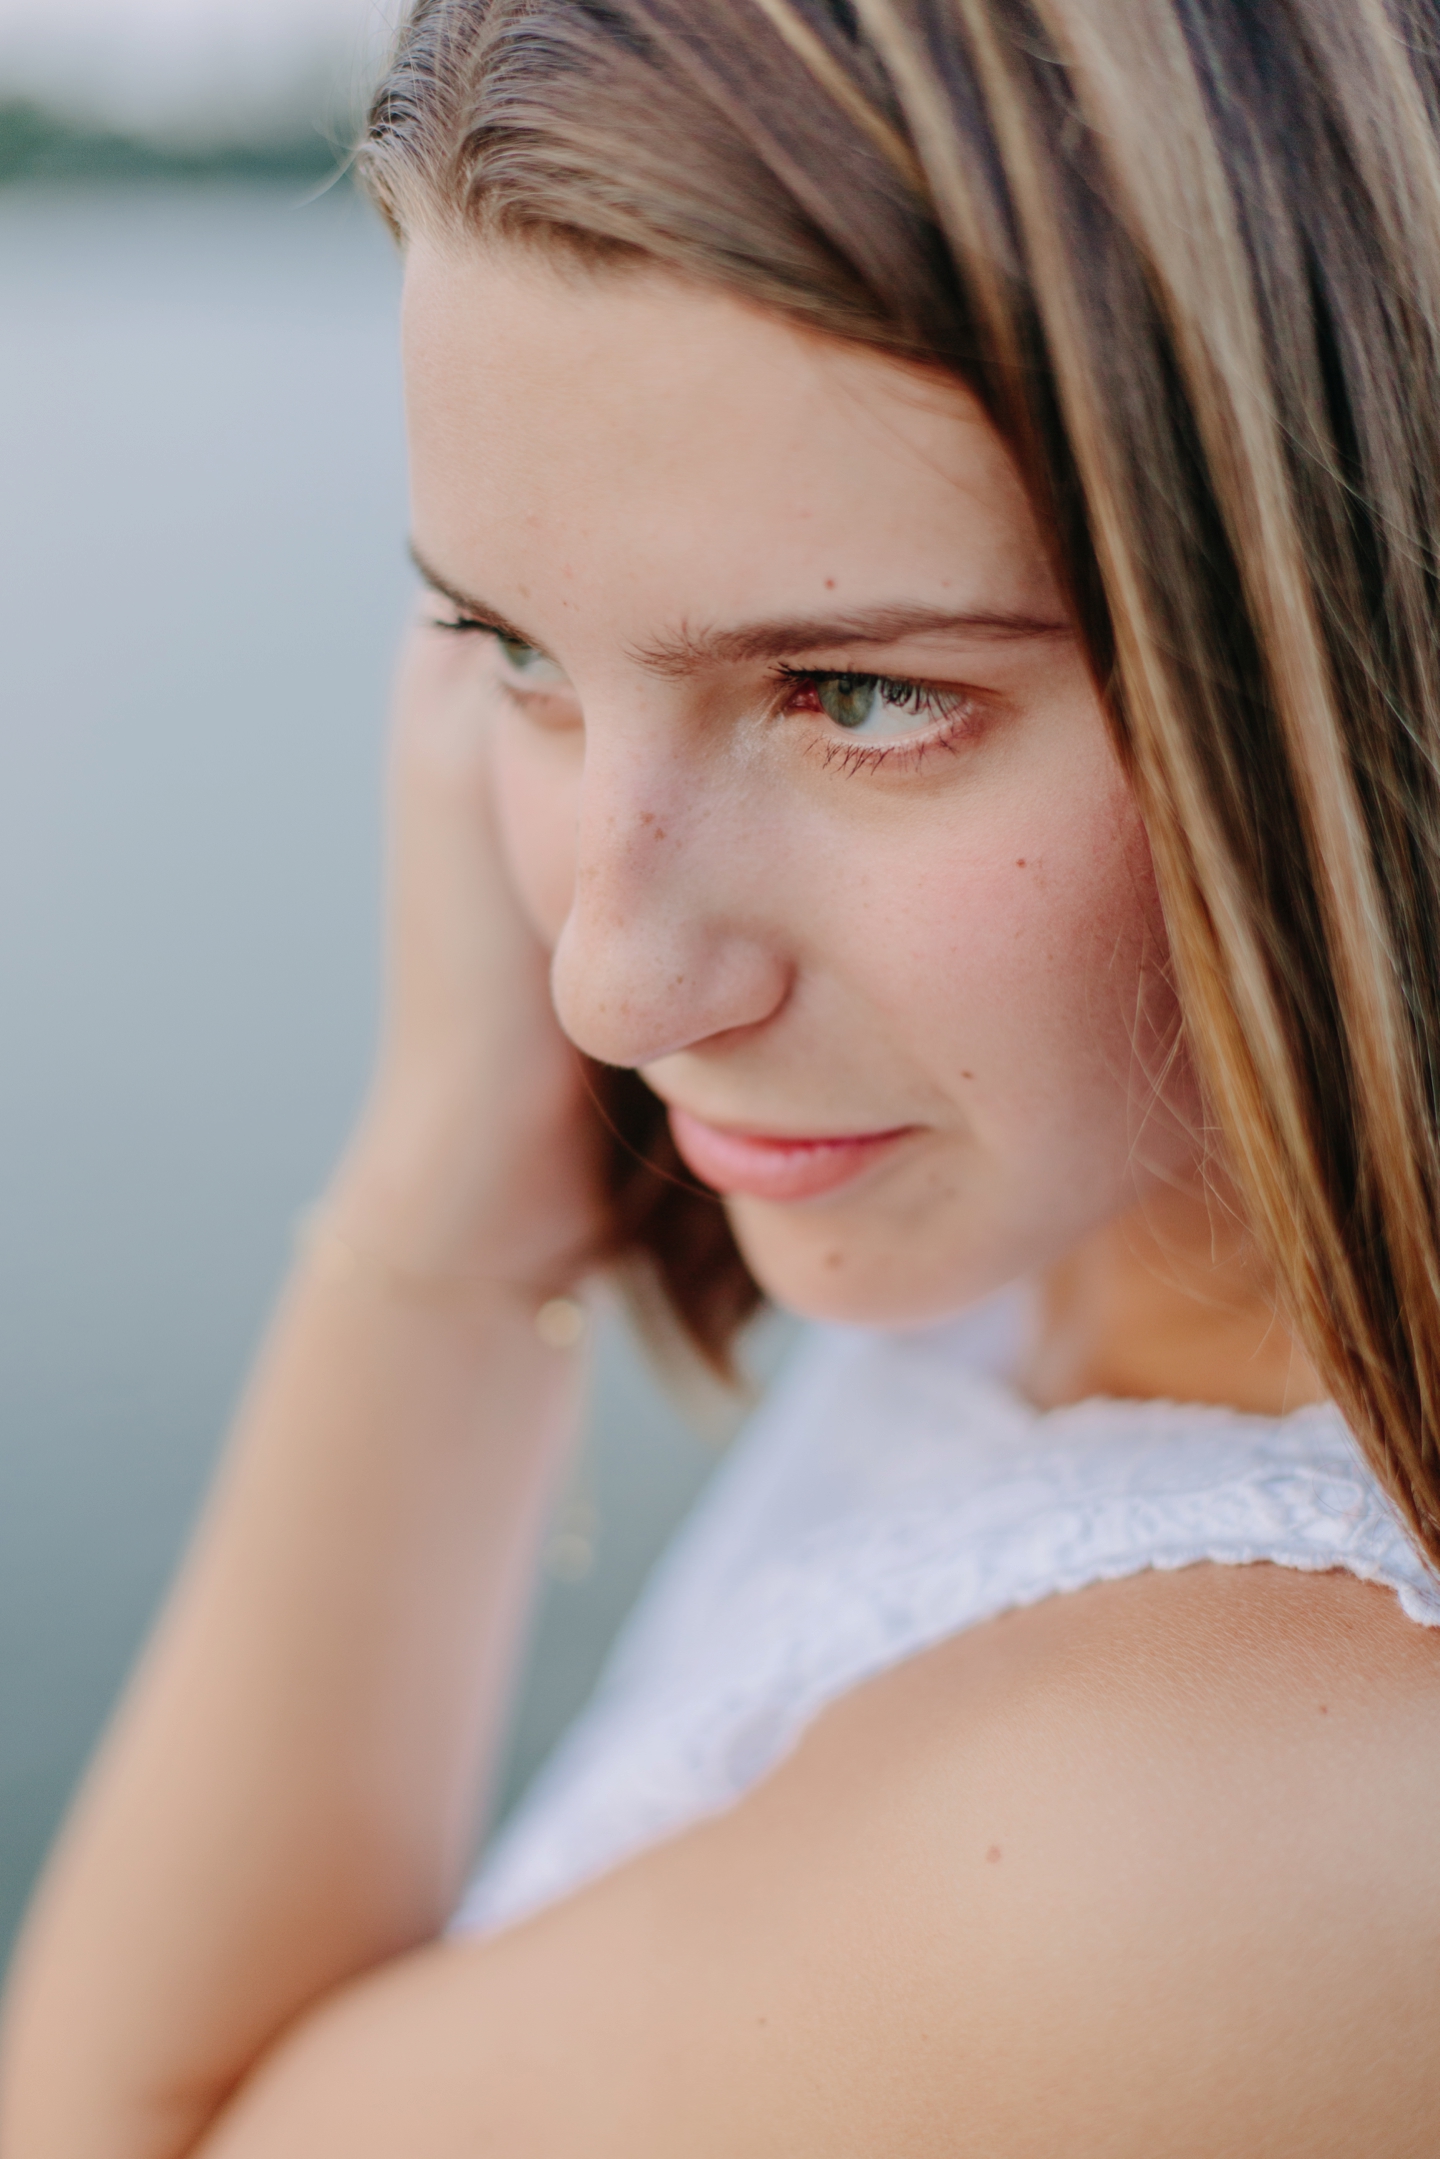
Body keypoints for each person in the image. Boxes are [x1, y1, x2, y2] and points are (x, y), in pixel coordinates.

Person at [5, 0, 1440, 2148]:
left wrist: (447, 1218)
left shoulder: (1215, 1831)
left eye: (858, 692)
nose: (603, 982)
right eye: (514, 652)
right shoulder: (1108, 1251)